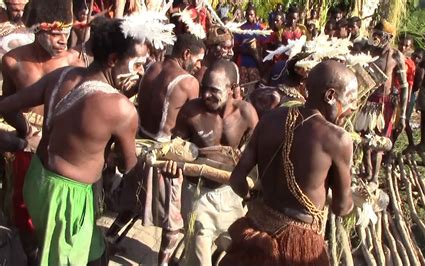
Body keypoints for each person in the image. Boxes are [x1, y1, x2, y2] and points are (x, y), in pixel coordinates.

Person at [1, 16, 147, 265]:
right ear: (112, 60)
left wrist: (27, 132)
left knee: (61, 248)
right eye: (138, 65)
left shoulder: (61, 76)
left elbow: (6, 106)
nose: (142, 72)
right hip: (67, 201)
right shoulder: (122, 109)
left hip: (37, 181)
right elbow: (128, 166)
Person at [220, 60, 356, 265]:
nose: (351, 108)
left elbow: (237, 179)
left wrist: (253, 200)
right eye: (350, 100)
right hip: (299, 247)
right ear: (330, 96)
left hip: (256, 230)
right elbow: (341, 207)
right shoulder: (337, 139)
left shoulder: (270, 119)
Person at [0, 0, 83, 261]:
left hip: (65, 150)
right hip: (27, 148)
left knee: (58, 213)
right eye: (55, 33)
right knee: (22, 208)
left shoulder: (75, 61)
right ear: (37, 30)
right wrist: (26, 132)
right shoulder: (13, 61)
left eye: (66, 32)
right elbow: (6, 103)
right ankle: (30, 253)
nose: (63, 39)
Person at [166, 59, 258, 266]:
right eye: (204, 88)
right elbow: (175, 149)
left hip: (231, 195)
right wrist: (171, 166)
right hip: (198, 194)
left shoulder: (246, 114)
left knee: (239, 252)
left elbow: (257, 154)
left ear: (232, 89)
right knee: (200, 259)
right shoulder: (191, 112)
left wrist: (254, 185)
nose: (206, 95)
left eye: (214, 90)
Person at [134, 33, 205, 265]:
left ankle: (112, 235)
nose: (199, 65)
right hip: (164, 155)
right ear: (186, 55)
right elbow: (193, 123)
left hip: (138, 144)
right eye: (197, 60)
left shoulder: (151, 68)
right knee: (172, 222)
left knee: (132, 202)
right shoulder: (188, 82)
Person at [362, 20, 408, 183]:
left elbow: (404, 87)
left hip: (385, 104)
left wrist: (402, 116)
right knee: (364, 138)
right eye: (374, 34)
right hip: (367, 101)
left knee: (379, 141)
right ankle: (367, 172)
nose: (376, 38)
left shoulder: (396, 56)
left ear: (389, 37)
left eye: (379, 35)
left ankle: (374, 177)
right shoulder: (367, 50)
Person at [390, 36, 416, 149]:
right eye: (401, 44)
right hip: (389, 93)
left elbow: (409, 84)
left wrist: (407, 101)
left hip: (400, 95)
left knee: (397, 124)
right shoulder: (391, 57)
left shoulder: (409, 64)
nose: (403, 47)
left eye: (406, 45)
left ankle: (390, 147)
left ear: (410, 48)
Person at [402, 47, 425, 153]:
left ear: (422, 60)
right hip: (402, 93)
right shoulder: (407, 64)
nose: (415, 58)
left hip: (410, 95)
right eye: (414, 56)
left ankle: (411, 144)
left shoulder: (420, 70)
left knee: (405, 121)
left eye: (419, 58)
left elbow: (416, 86)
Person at [234, 6, 264, 84]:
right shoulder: (240, 29)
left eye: (251, 15)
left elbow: (264, 47)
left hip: (255, 62)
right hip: (242, 62)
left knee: (255, 85)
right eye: (248, 15)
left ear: (255, 15)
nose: (249, 16)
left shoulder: (260, 29)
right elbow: (235, 47)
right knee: (243, 86)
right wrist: (246, 50)